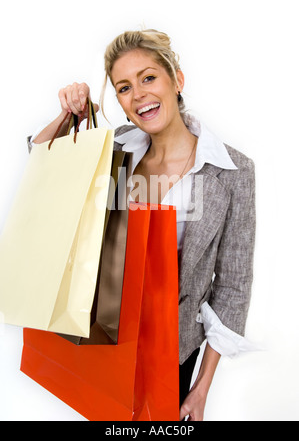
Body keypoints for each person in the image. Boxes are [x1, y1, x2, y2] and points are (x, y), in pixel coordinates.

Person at [29, 29, 256, 421]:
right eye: (123, 87)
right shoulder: (115, 148)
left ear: (177, 79)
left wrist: (201, 390)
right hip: (103, 334)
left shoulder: (232, 172)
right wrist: (70, 117)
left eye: (148, 78)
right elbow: (43, 166)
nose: (138, 95)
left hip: (174, 350)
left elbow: (233, 288)